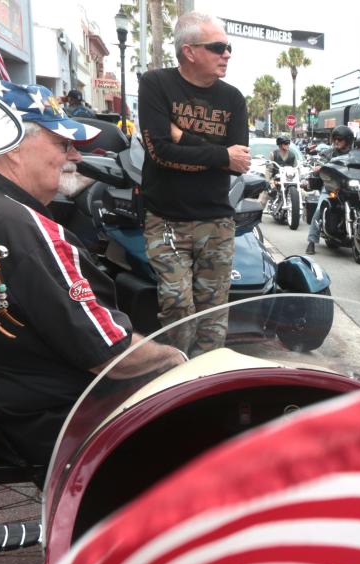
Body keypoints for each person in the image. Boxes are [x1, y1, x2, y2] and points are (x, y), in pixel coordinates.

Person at [0, 80, 185, 468]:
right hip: (56, 418)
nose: (74, 155)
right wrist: (175, 358)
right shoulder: (22, 227)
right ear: (15, 146)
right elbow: (111, 354)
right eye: (62, 143)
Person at [138, 11, 249, 356]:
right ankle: (174, 372)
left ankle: (204, 381)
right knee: (177, 307)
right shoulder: (155, 84)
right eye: (218, 47)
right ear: (189, 51)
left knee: (214, 314)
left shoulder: (233, 99)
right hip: (165, 221)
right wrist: (218, 155)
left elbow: (239, 163)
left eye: (228, 47)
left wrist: (181, 136)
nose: (226, 54)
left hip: (216, 221)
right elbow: (159, 153)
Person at [305, 125, 354, 255]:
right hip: (330, 189)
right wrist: (318, 168)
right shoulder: (328, 153)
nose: (336, 141)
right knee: (319, 210)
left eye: (340, 139)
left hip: (349, 189)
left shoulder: (354, 155)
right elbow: (319, 164)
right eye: (335, 139)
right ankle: (311, 241)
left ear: (348, 140)